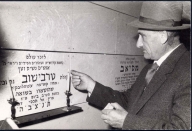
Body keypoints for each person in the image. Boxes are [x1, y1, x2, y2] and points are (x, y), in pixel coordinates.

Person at [71, 2, 190, 130]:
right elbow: (129, 101)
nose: (138, 44)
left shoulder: (188, 70)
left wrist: (126, 123)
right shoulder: (150, 68)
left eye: (143, 36)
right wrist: (90, 85)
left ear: (163, 36)